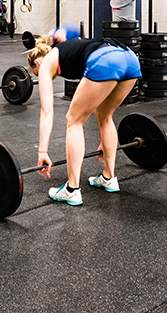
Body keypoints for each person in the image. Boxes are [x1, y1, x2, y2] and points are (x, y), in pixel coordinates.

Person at [26, 35, 142, 206]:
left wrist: (42, 151)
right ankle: (108, 177)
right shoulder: (70, 52)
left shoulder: (45, 65)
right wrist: (105, 141)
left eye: (34, 73)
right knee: (105, 115)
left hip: (105, 59)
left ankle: (72, 189)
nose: (38, 76)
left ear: (37, 64)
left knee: (73, 120)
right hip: (130, 58)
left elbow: (46, 111)